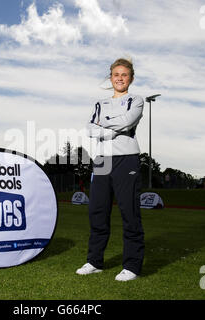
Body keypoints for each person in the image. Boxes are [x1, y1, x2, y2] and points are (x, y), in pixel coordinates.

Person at [76, 58, 145, 281]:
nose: (120, 78)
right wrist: (112, 129)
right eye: (116, 74)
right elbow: (89, 129)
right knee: (97, 211)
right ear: (111, 77)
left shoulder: (137, 100)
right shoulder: (100, 103)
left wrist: (104, 126)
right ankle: (94, 261)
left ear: (131, 78)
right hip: (102, 161)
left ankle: (132, 266)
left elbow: (128, 122)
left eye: (124, 75)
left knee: (129, 213)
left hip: (127, 159)